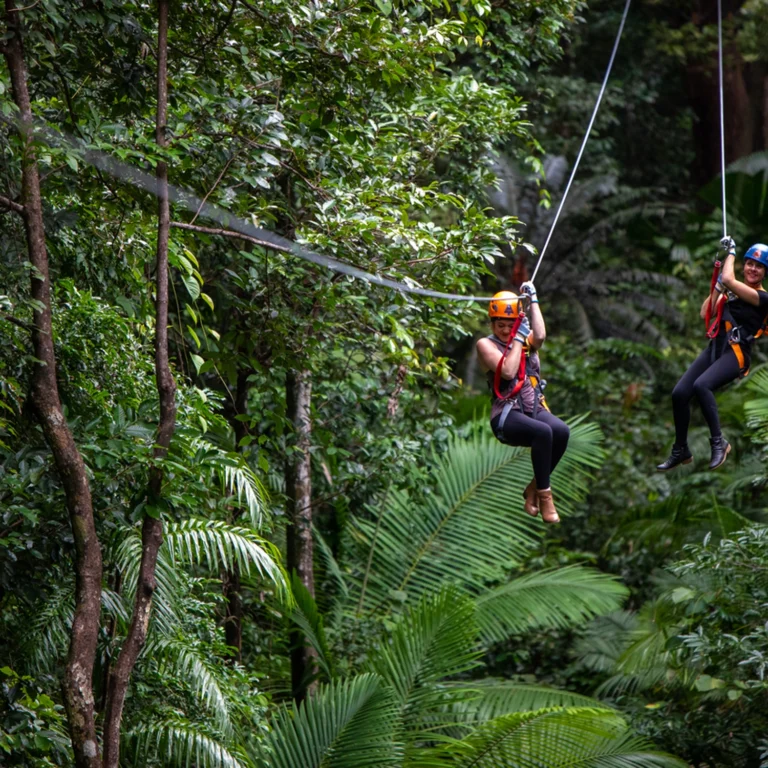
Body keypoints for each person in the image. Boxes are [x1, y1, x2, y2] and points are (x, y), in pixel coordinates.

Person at [658, 240, 768, 472]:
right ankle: (681, 449)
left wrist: (731, 252)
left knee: (702, 386)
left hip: (736, 354)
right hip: (716, 349)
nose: (752, 269)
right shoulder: (732, 293)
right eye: (749, 264)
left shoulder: (763, 298)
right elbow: (704, 313)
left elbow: (729, 279)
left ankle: (719, 442)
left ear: (764, 273)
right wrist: (719, 287)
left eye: (758, 266)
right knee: (679, 394)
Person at [476, 283, 570, 523]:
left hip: (533, 407)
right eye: (500, 325)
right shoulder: (486, 345)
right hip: (507, 415)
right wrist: (518, 335)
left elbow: (540, 336)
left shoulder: (525, 340)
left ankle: (533, 488)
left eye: (510, 325)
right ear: (492, 324)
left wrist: (534, 300)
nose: (506, 330)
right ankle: (545, 496)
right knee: (543, 432)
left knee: (560, 431)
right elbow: (507, 371)